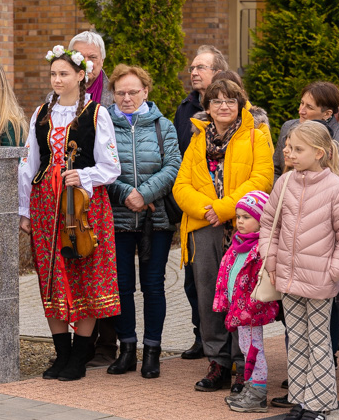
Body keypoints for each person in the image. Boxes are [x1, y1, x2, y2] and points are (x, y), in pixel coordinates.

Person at [18, 45, 120, 382]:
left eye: (64, 73)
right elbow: (29, 164)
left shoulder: (96, 113)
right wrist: (25, 211)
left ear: (81, 76)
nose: (57, 79)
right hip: (46, 205)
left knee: (85, 275)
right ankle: (61, 353)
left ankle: (79, 355)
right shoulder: (41, 113)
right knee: (50, 277)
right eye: (53, 74)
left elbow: (112, 166)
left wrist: (85, 175)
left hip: (84, 206)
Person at [172, 78, 273, 393]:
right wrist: (207, 211)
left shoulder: (257, 136)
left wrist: (225, 208)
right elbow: (180, 186)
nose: (224, 106)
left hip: (242, 231)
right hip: (205, 229)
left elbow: (263, 179)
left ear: (241, 103)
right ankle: (218, 362)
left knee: (239, 296)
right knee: (208, 297)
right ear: (208, 107)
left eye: (230, 100)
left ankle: (244, 365)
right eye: (217, 101)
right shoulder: (197, 139)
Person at [261, 121, 339, 420]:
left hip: (319, 283)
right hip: (287, 279)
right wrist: (271, 258)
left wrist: (332, 271)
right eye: (289, 147)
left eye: (297, 149)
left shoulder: (335, 187)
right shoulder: (285, 182)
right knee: (298, 341)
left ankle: (319, 404)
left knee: (319, 342)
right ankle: (300, 399)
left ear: (319, 153)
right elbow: (269, 224)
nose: (289, 152)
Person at [104, 64, 180, 378]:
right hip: (118, 219)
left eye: (133, 91)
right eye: (120, 92)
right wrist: (125, 194)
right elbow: (98, 166)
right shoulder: (103, 125)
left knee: (153, 287)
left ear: (145, 91)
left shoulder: (163, 125)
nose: (126, 98)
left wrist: (145, 194)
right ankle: (127, 349)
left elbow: (174, 163)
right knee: (121, 286)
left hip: (156, 220)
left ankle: (152, 351)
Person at [173, 45, 229, 359]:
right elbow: (179, 161)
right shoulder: (185, 109)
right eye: (193, 67)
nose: (194, 72)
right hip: (194, 213)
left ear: (218, 73)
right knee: (196, 283)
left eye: (202, 67)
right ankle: (201, 337)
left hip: (228, 216)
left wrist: (220, 208)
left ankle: (230, 351)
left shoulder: (245, 120)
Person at [66, 31, 116, 366]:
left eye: (92, 57)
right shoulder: (61, 97)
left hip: (106, 197)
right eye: (79, 56)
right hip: (73, 203)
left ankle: (105, 345)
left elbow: (115, 159)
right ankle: (78, 342)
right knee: (77, 269)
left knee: (105, 275)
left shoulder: (113, 97)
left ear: (101, 61)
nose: (86, 62)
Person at [213, 191, 278, 412]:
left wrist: (250, 304)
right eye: (238, 217)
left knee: (254, 349)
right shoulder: (237, 244)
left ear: (261, 220)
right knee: (245, 347)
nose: (240, 222)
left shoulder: (261, 247)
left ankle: (258, 395)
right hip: (238, 309)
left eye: (247, 217)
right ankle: (250, 388)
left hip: (252, 309)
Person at [273, 82, 339, 180]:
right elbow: (276, 170)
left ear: (327, 114)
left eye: (309, 107)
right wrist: (280, 191)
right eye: (302, 103)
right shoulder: (288, 127)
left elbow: (336, 181)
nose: (301, 111)